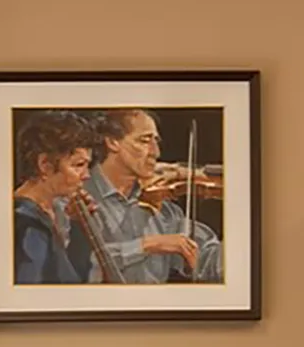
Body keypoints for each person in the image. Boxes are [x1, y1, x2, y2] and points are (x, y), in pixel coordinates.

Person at [83, 108, 224, 284]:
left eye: (156, 141)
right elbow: (80, 265)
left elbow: (208, 262)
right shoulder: (76, 196)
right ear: (112, 142)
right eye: (144, 141)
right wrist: (147, 245)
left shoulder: (160, 208)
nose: (155, 152)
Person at [12, 111, 95, 284]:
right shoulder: (27, 224)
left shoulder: (56, 211)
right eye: (78, 165)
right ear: (45, 165)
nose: (86, 175)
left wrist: (78, 224)